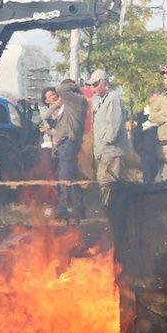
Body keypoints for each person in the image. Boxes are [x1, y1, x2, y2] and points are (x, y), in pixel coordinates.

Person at [88, 69, 128, 203]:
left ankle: (112, 216)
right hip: (105, 152)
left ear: (104, 83)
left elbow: (114, 125)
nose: (92, 88)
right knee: (105, 184)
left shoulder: (113, 98)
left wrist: (106, 141)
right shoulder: (104, 100)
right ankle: (110, 215)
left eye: (95, 84)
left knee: (110, 186)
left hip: (111, 152)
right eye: (91, 85)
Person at [52, 78, 87, 220]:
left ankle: (62, 208)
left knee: (64, 176)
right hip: (66, 143)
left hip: (68, 142)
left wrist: (74, 85)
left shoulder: (77, 100)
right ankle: (78, 208)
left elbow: (59, 89)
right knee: (71, 177)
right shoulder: (72, 104)